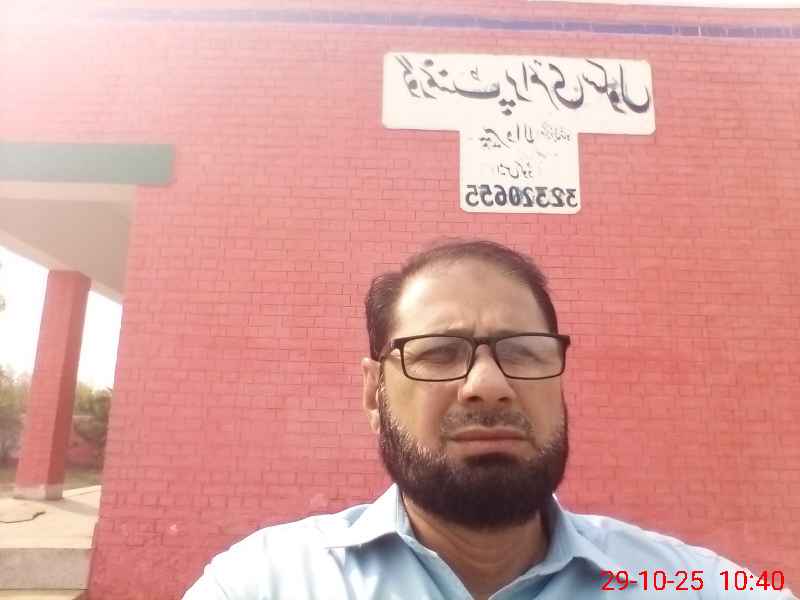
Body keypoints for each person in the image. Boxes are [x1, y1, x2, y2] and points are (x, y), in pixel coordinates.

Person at [184, 239, 796, 599]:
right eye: (438, 354)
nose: (488, 387)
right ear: (374, 394)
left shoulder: (693, 584)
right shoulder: (263, 583)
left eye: (524, 352)